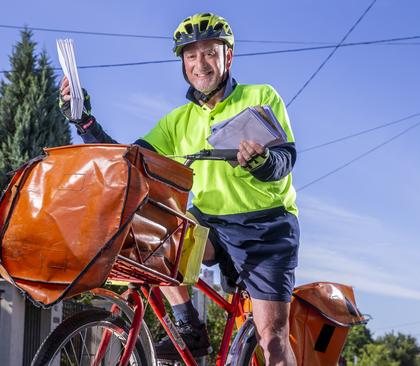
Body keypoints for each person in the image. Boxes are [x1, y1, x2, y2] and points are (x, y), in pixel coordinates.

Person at [60, 12, 299, 365]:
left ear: (227, 57)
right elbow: (131, 160)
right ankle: (189, 324)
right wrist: (84, 120)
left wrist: (261, 160)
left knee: (273, 339)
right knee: (153, 234)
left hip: (265, 229)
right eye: (191, 55)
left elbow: (285, 158)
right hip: (210, 225)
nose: (200, 63)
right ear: (183, 63)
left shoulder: (260, 96)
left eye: (209, 53)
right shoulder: (177, 122)